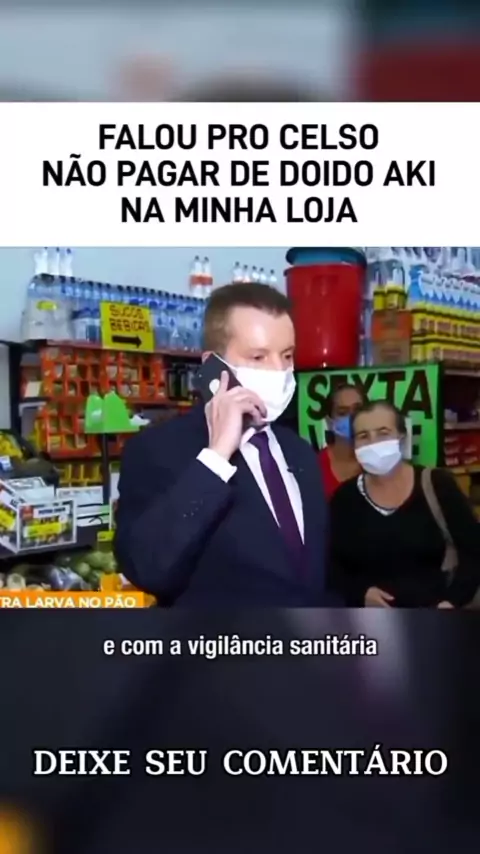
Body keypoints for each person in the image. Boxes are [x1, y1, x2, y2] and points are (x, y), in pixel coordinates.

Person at [114, 282, 333, 606]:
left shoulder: (299, 451)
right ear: (213, 366)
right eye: (258, 356)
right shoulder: (157, 450)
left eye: (287, 355)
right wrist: (216, 458)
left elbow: (316, 572)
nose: (279, 370)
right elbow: (147, 568)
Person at [329, 400, 480, 608]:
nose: (373, 443)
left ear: (401, 436)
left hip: (437, 617)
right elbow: (333, 566)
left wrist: (452, 601)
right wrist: (360, 593)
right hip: (372, 622)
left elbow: (473, 552)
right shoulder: (345, 499)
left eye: (383, 433)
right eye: (363, 436)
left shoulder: (437, 485)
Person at [318, 383, 366, 498]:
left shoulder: (379, 463)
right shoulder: (315, 467)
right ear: (329, 421)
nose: (352, 417)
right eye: (342, 412)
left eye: (358, 410)